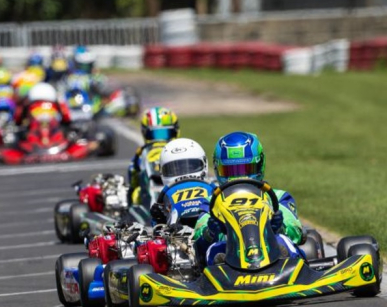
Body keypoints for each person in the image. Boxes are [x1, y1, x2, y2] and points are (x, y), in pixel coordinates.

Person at [194, 131, 305, 265]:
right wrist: (210, 233)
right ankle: (221, 269)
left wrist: (280, 227)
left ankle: (290, 265)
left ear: (260, 165)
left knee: (283, 240)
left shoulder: (277, 197)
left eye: (246, 169)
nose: (238, 177)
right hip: (230, 257)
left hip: (272, 254)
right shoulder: (210, 202)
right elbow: (198, 238)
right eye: (230, 171)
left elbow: (297, 232)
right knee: (214, 249)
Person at [150, 138, 216, 230]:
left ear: (204, 164)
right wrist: (159, 219)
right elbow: (156, 230)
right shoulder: (163, 199)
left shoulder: (215, 190)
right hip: (175, 232)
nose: (184, 174)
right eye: (174, 169)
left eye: (191, 166)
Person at [127, 107, 180, 206]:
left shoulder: (183, 151)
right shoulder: (140, 154)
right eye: (155, 134)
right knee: (135, 194)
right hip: (149, 196)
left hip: (178, 192)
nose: (160, 140)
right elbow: (133, 181)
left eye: (164, 134)